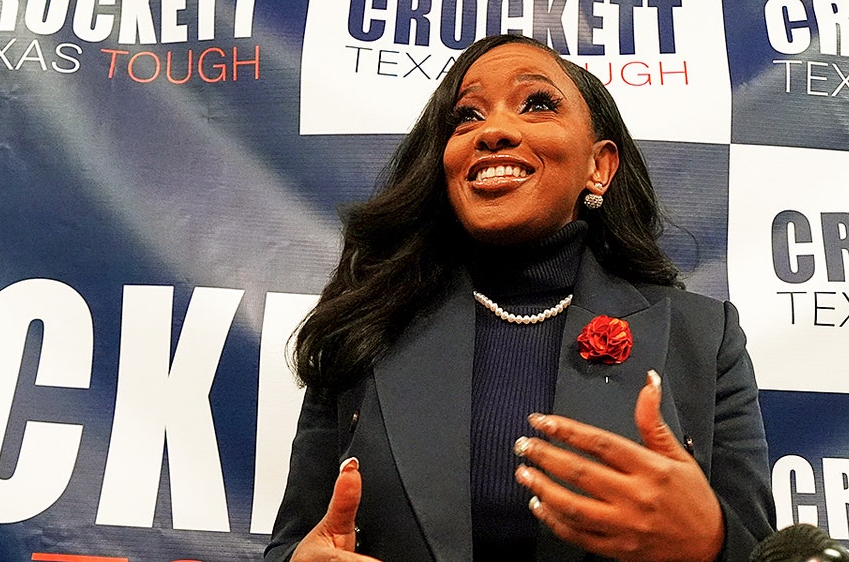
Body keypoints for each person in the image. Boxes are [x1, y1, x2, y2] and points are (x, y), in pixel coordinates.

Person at [266, 34, 775, 562]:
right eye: (467, 116)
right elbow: (294, 545)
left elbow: (761, 551)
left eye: (537, 104)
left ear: (598, 167)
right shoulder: (368, 326)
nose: (494, 131)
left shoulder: (702, 337)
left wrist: (712, 543)